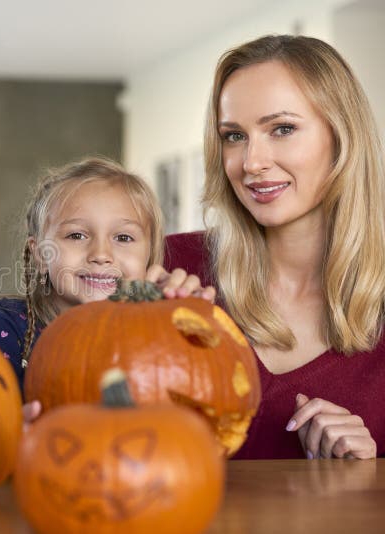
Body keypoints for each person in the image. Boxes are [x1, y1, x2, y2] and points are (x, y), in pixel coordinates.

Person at [165, 35, 385, 460]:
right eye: (234, 136)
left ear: (341, 137)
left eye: (282, 129)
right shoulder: (169, 267)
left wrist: (370, 471)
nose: (252, 162)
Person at [0, 156, 215, 392]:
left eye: (123, 237)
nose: (101, 254)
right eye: (77, 235)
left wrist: (187, 326)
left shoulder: (156, 330)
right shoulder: (7, 325)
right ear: (41, 255)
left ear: (149, 258)